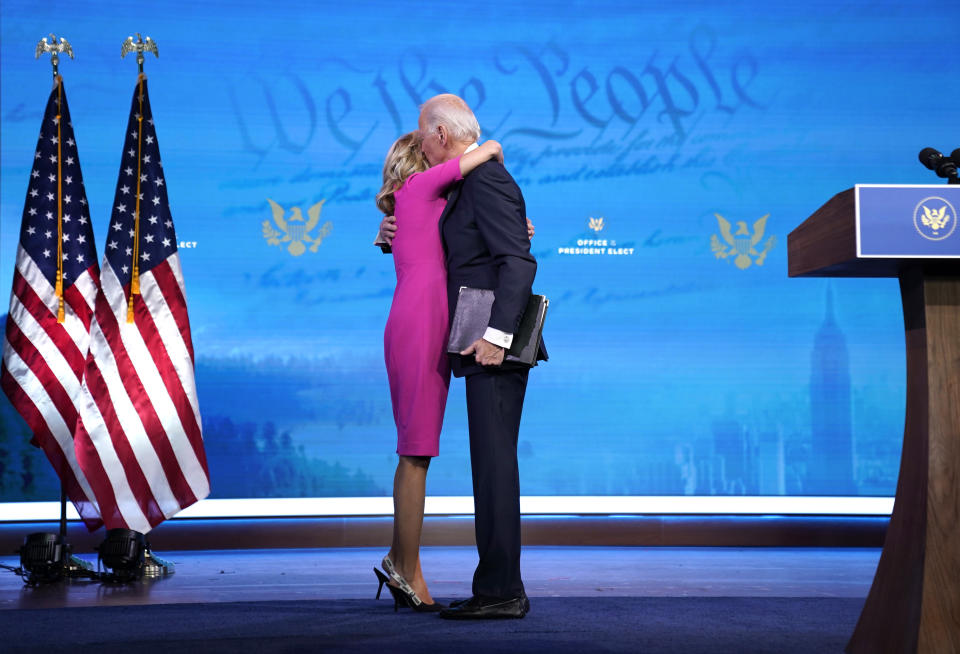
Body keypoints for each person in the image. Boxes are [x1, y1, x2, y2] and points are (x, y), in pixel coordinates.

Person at [417, 93, 546, 620]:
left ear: (442, 135)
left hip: (494, 343)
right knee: (489, 467)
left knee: (494, 467)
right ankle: (497, 586)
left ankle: (502, 592)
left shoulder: (485, 178)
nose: (421, 146)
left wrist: (496, 335)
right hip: (479, 340)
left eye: (422, 135)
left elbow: (517, 262)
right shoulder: (468, 184)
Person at [373, 131, 505, 612]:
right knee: (416, 451)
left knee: (417, 452)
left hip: (426, 325)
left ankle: (403, 563)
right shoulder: (420, 190)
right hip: (420, 329)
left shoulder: (425, 206)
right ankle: (402, 566)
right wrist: (490, 147)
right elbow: (467, 162)